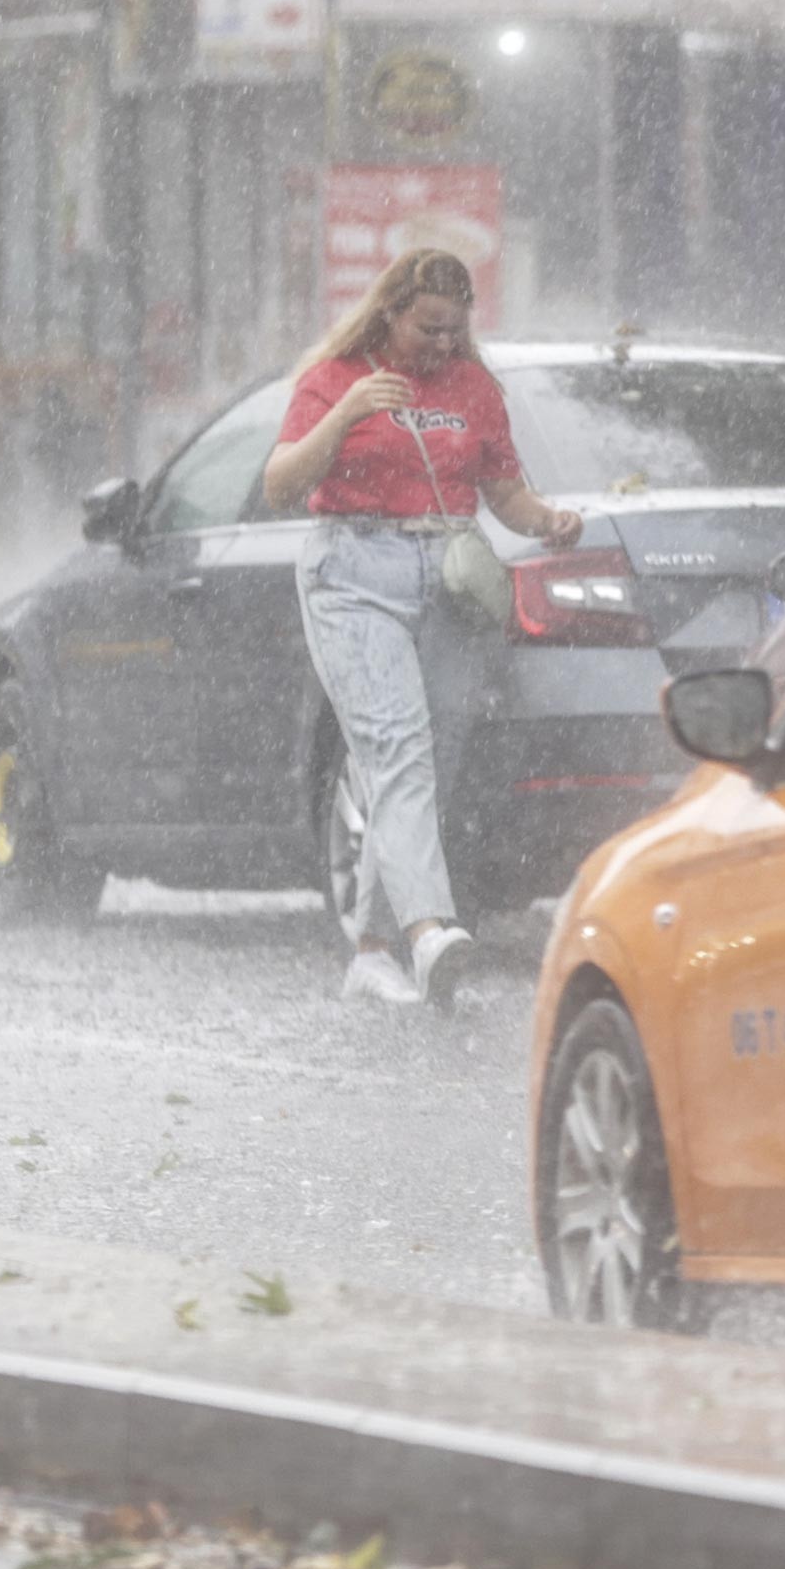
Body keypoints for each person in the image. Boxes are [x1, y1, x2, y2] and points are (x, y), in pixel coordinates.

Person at [263, 249, 581, 1006]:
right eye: (428, 328)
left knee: (421, 768)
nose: (442, 344)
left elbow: (506, 495)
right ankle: (431, 934)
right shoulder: (335, 379)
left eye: (455, 329)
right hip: (355, 575)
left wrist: (551, 523)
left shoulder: (474, 388)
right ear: (391, 313)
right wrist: (349, 413)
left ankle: (372, 951)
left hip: (447, 580)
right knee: (398, 751)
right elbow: (280, 484)